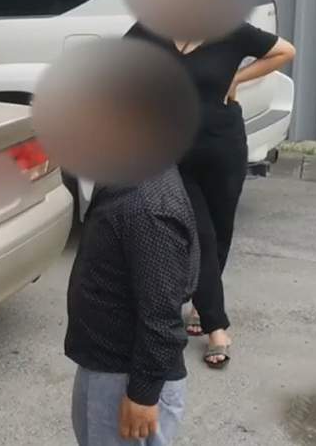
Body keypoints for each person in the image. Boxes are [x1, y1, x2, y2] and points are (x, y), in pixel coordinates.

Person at [125, 22, 296, 368]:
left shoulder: (231, 29)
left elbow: (285, 51)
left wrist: (237, 78)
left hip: (224, 148)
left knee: (220, 232)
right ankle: (217, 328)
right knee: (200, 236)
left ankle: (202, 304)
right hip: (175, 153)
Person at [67, 167, 199, 446]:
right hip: (106, 363)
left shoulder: (146, 207)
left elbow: (161, 316)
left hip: (124, 376)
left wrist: (143, 393)